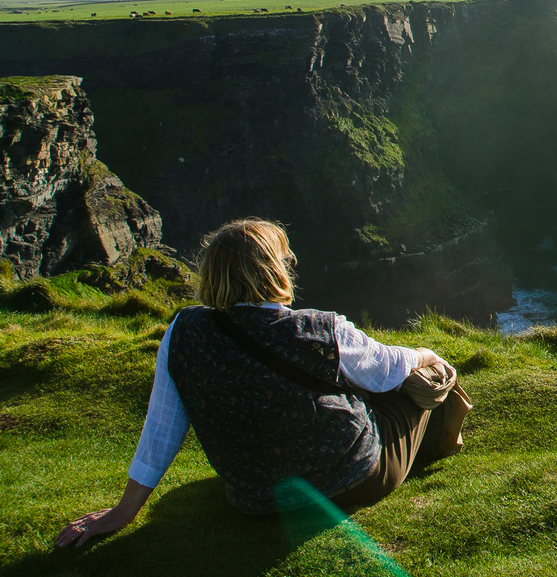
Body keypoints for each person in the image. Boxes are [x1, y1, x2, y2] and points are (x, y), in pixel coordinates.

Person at [56, 218, 468, 548]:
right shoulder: (317, 329)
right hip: (350, 481)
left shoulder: (184, 330)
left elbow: (162, 427)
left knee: (354, 382)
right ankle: (445, 435)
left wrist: (124, 511)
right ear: (270, 269)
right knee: (421, 384)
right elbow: (385, 369)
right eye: (284, 260)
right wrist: (426, 355)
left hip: (255, 499)